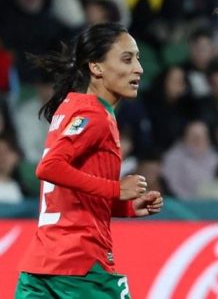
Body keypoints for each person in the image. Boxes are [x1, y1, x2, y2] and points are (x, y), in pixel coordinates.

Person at [15, 23, 164, 299]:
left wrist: (125, 207)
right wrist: (116, 189)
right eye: (127, 59)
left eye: (138, 59)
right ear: (96, 67)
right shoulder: (94, 115)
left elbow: (69, 192)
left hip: (41, 267)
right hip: (81, 266)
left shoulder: (70, 108)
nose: (139, 69)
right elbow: (49, 168)